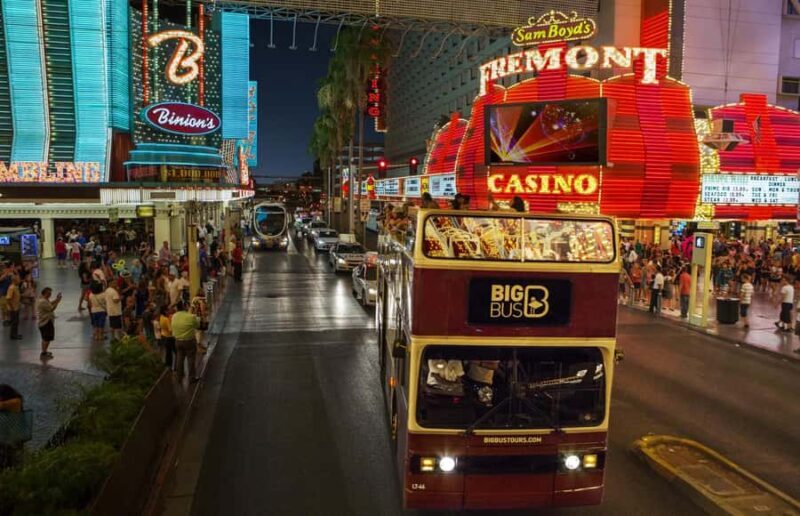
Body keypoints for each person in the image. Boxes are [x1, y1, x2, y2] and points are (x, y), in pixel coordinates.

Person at [171, 301, 199, 383]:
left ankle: (179, 376)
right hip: (189, 341)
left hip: (177, 341)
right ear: (185, 306)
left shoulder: (174, 316)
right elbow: (197, 325)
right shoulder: (190, 317)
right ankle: (191, 377)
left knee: (180, 358)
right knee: (191, 359)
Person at [36, 288, 62, 359]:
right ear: (45, 293)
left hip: (46, 321)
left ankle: (45, 351)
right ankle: (43, 353)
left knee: (46, 338)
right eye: (49, 293)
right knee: (46, 338)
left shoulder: (44, 299)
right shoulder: (43, 301)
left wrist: (56, 300)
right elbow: (51, 308)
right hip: (45, 322)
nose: (50, 294)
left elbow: (50, 304)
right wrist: (58, 302)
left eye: (50, 293)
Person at [190, 288, 208, 353]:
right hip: (200, 317)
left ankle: (199, 345)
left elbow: (191, 309)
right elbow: (202, 309)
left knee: (197, 332)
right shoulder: (202, 300)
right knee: (200, 333)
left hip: (194, 317)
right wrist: (204, 318)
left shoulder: (194, 299)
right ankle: (198, 348)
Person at [6, 275, 21, 339]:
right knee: (14, 322)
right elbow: (8, 299)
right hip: (13, 309)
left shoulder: (16, 287)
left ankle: (15, 334)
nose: (19, 280)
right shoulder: (11, 288)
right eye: (18, 279)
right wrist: (12, 308)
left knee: (16, 322)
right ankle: (13, 335)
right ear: (14, 280)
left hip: (16, 307)